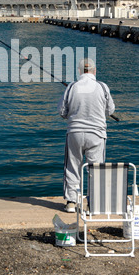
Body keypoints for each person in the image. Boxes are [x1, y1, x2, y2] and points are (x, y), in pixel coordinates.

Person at [57, 58, 115, 213]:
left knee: (72, 166)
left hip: (75, 133)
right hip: (97, 135)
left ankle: (71, 202)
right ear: (94, 71)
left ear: (79, 71)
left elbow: (62, 112)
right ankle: (92, 204)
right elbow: (110, 111)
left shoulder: (71, 87)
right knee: (96, 169)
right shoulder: (102, 87)